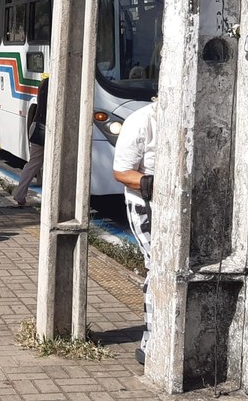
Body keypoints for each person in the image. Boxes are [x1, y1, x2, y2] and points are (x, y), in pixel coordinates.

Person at [112, 102, 157, 366]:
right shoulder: (141, 121)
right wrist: (152, 182)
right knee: (158, 267)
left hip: (186, 206)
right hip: (146, 206)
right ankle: (150, 343)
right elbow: (121, 172)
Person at [12, 76, 49, 206]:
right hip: (47, 129)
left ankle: (19, 195)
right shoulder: (59, 84)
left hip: (36, 126)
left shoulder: (44, 83)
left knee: (33, 163)